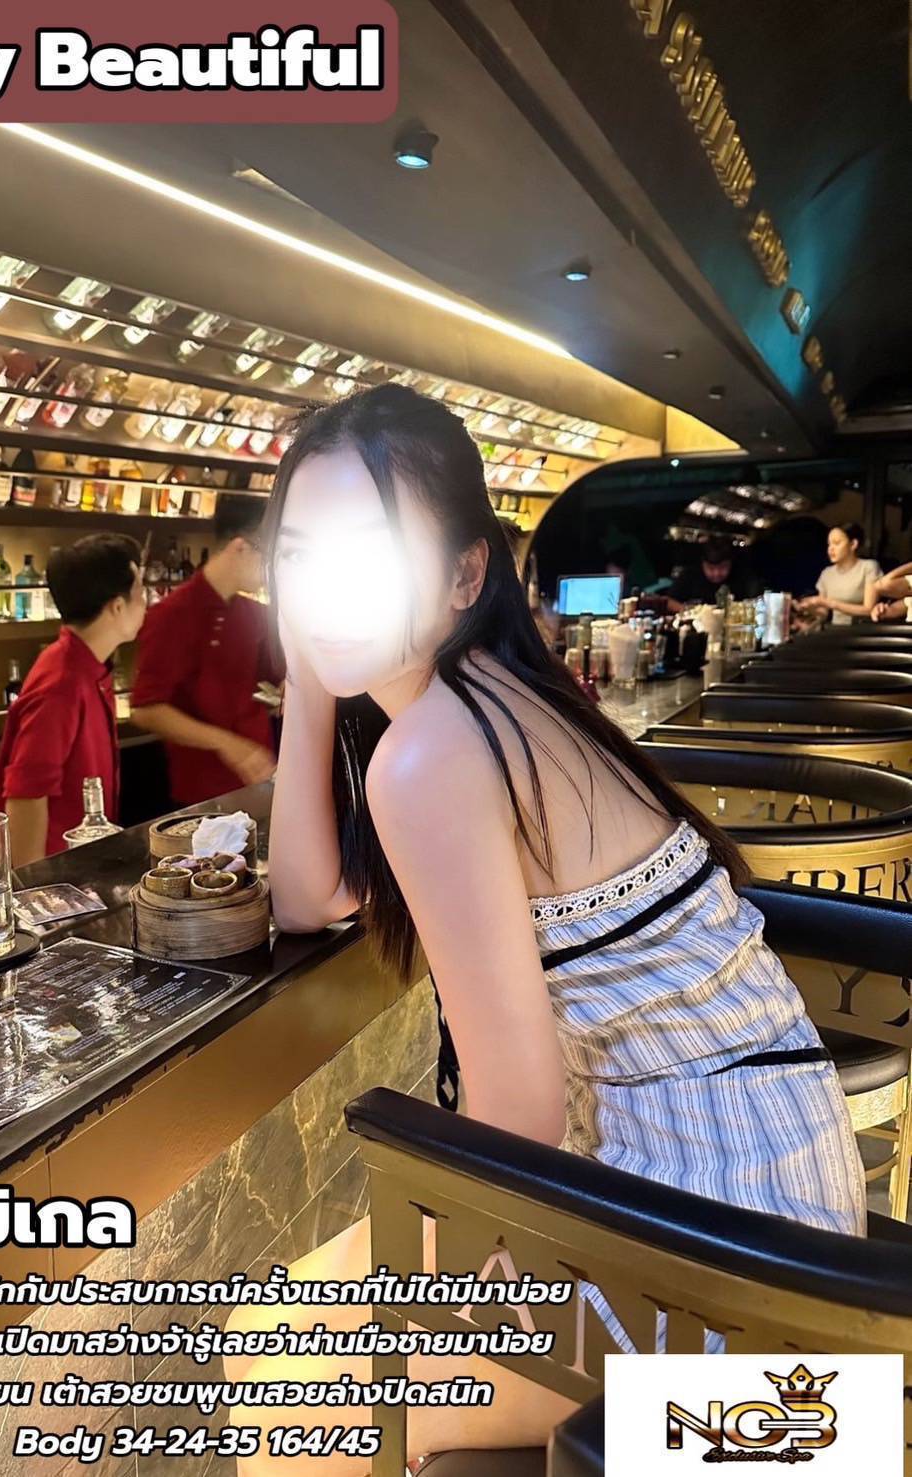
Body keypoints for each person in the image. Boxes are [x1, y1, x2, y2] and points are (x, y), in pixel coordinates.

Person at [221, 385, 867, 1474]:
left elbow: (516, 1115)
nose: (326, 589)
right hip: (761, 1200)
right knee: (275, 1331)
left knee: (290, 1397)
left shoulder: (434, 750)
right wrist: (313, 673)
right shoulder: (488, 698)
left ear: (465, 573)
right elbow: (305, 895)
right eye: (299, 558)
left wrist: (419, 1298)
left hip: (731, 1281)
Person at [0, 534, 146, 866]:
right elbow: (26, 794)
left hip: (81, 866)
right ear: (117, 607)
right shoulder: (61, 683)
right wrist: (33, 885)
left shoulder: (85, 666)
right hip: (59, 879)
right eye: (140, 591)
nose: (145, 602)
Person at [130, 492, 283, 804]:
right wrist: (226, 743)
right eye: (269, 557)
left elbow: (271, 680)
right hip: (203, 794)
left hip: (260, 779)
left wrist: (286, 690)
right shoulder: (172, 615)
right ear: (240, 547)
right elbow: (146, 709)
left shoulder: (252, 612)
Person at [796, 523, 881, 625]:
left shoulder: (868, 567)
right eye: (829, 544)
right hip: (836, 629)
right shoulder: (827, 573)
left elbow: (868, 609)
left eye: (836, 543)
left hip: (861, 629)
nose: (831, 549)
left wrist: (830, 603)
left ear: (853, 544)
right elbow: (824, 613)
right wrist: (806, 607)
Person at [664, 536, 747, 610]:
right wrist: (690, 612)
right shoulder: (690, 575)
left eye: (723, 567)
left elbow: (747, 603)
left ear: (731, 563)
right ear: (703, 563)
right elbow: (669, 601)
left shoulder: (739, 575)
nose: (716, 573)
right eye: (711, 568)